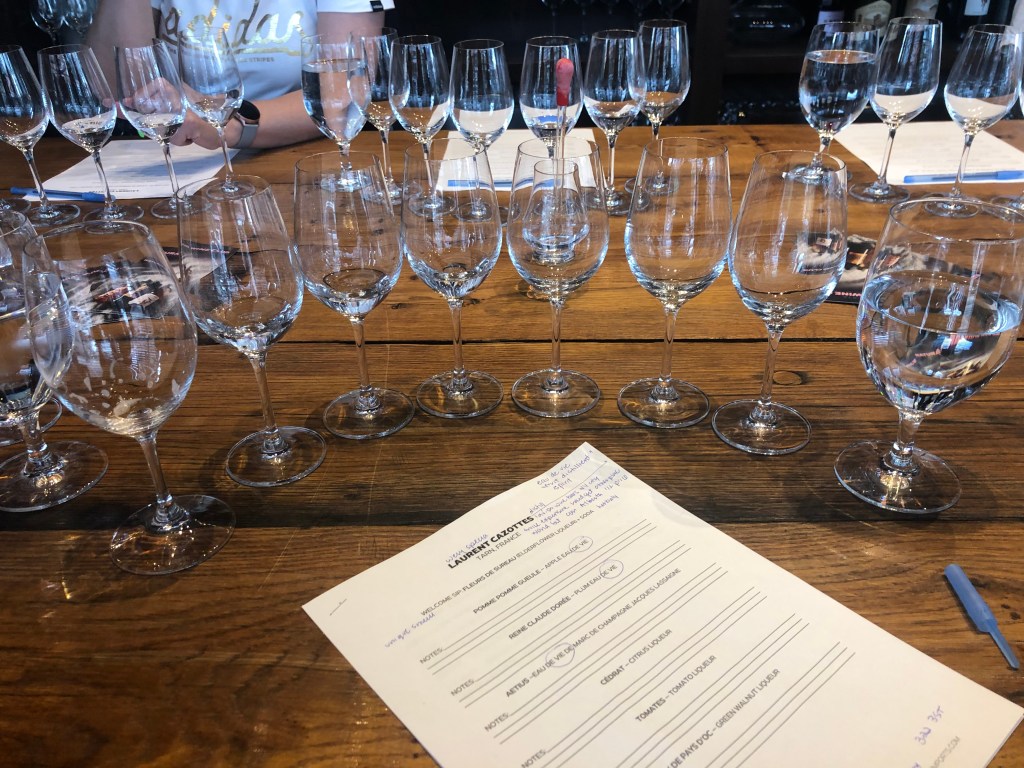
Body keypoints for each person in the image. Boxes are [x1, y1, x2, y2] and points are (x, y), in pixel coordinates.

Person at [87, 0, 392, 150]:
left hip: (294, 154)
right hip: (175, 161)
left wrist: (231, 126)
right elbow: (120, 92)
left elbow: (342, 95)